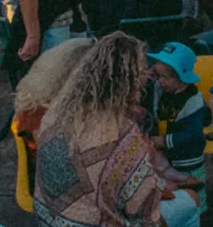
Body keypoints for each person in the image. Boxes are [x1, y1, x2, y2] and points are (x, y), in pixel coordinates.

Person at [33, 33, 202, 227]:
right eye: (142, 77)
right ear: (130, 84)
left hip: (46, 220)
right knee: (191, 200)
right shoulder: (123, 137)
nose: (147, 82)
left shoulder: (55, 112)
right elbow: (144, 212)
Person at [145, 42, 210, 206]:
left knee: (195, 202)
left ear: (181, 79)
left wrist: (163, 141)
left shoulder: (193, 101)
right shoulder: (161, 89)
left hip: (189, 162)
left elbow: (194, 135)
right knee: (173, 198)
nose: (159, 81)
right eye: (157, 75)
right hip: (169, 159)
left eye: (164, 77)